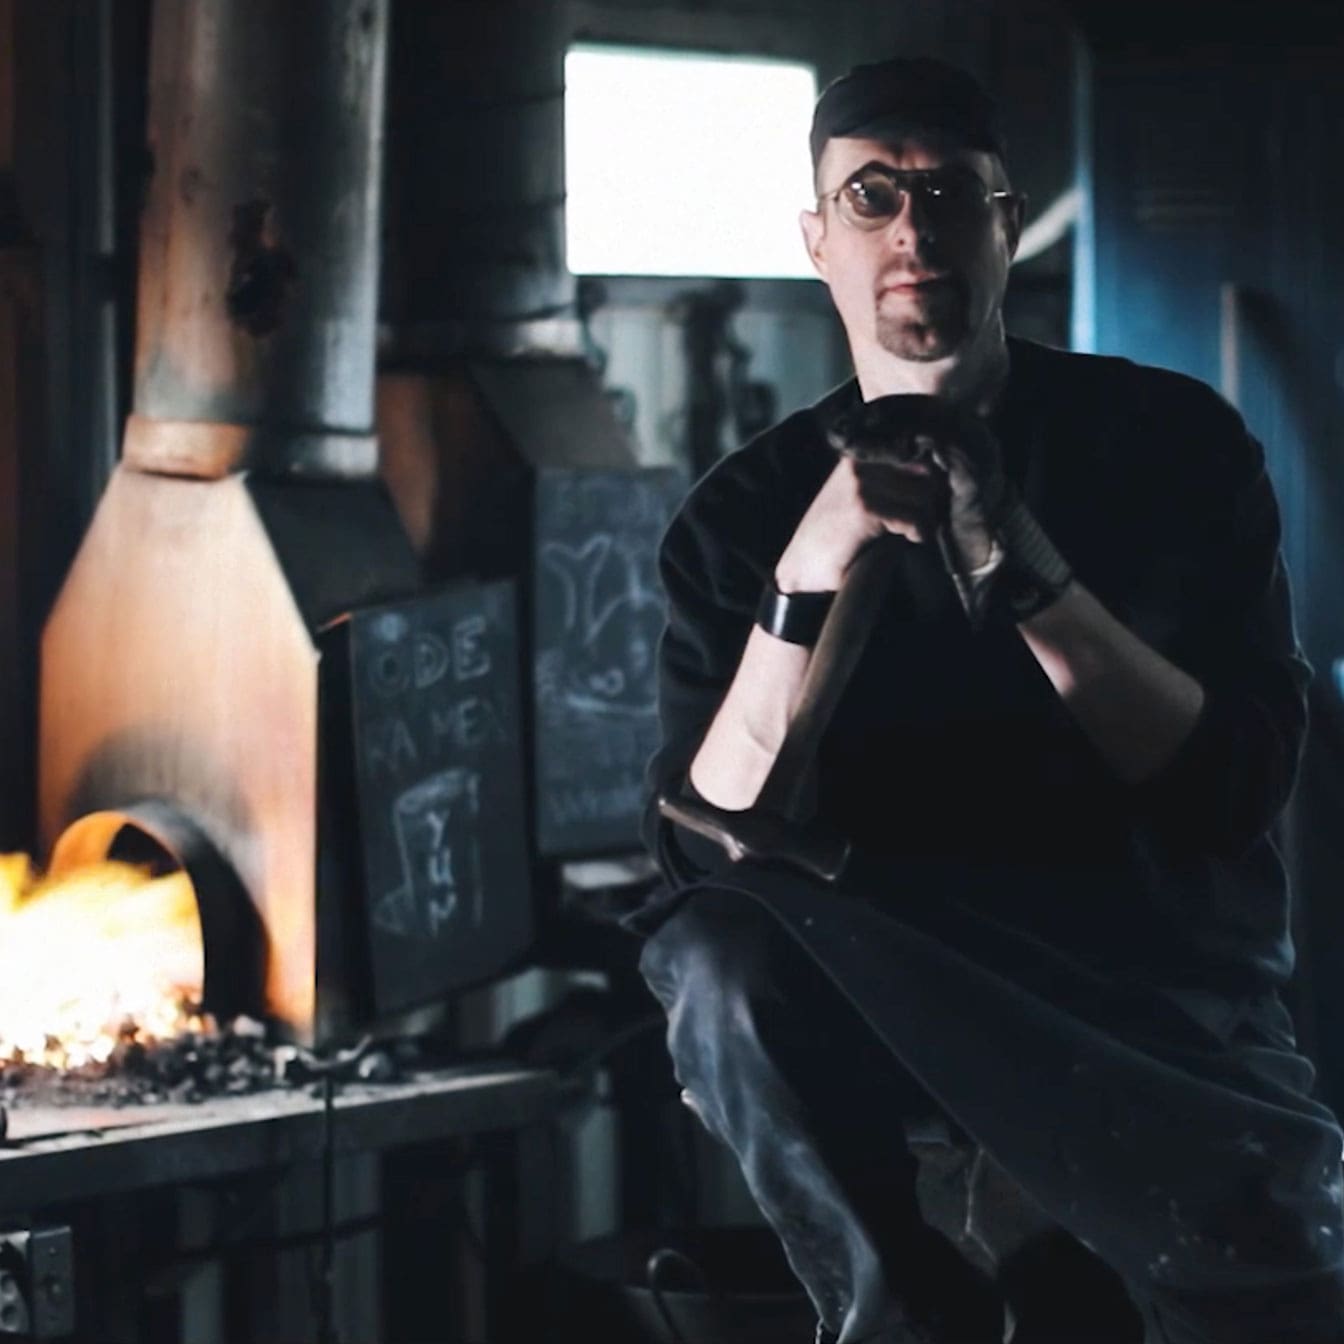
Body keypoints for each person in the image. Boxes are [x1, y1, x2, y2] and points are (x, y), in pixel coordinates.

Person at [632, 54, 1344, 1344]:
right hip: (894, 996)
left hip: (1147, 993)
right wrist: (813, 565)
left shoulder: (1175, 445)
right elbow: (702, 845)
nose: (911, 228)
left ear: (1006, 225)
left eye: (949, 192)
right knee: (714, 953)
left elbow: (1232, 790)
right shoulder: (742, 517)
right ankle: (904, 1315)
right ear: (817, 239)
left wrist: (1019, 564)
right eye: (870, 195)